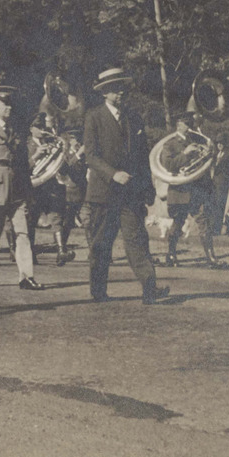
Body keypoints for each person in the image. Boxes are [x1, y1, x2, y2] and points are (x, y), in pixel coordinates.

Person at [82, 68, 169, 305]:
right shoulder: (94, 117)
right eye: (115, 89)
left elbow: (142, 158)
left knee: (138, 240)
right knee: (101, 245)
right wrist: (113, 174)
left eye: (123, 87)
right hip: (103, 193)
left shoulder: (134, 117)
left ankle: (150, 288)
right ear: (105, 93)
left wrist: (148, 189)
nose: (121, 92)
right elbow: (90, 156)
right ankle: (98, 291)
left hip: (130, 194)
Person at [0, 86, 43, 291]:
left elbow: (22, 163)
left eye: (10, 104)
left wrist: (28, 189)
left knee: (22, 233)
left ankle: (26, 276)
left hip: (17, 187)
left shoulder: (16, 130)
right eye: (4, 104)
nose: (8, 108)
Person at [160, 112, 222, 268]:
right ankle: (171, 254)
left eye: (191, 125)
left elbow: (205, 162)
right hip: (180, 191)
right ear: (179, 125)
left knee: (203, 222)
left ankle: (211, 257)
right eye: (187, 125)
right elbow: (168, 165)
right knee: (177, 223)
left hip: (196, 191)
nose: (190, 128)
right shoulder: (170, 144)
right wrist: (185, 154)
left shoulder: (197, 141)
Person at [28, 111, 67, 264]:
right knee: (31, 220)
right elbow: (23, 166)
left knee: (56, 218)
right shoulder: (26, 144)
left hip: (51, 187)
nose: (42, 129)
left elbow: (62, 163)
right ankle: (30, 253)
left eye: (43, 126)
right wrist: (36, 155)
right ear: (31, 128)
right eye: (38, 126)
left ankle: (61, 251)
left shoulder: (52, 142)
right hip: (34, 189)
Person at [56, 130, 87, 264]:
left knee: (88, 220)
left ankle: (95, 253)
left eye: (77, 137)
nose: (75, 140)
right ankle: (61, 252)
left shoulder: (84, 151)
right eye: (73, 137)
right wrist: (78, 155)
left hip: (84, 190)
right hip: (68, 191)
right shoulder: (63, 152)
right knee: (67, 223)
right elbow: (63, 169)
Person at [210, 138, 229, 235]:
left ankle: (219, 228)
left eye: (221, 143)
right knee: (215, 205)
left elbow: (228, 169)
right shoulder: (216, 155)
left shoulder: (228, 155)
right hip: (215, 182)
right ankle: (214, 227)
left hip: (223, 182)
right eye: (218, 143)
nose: (219, 145)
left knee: (221, 205)